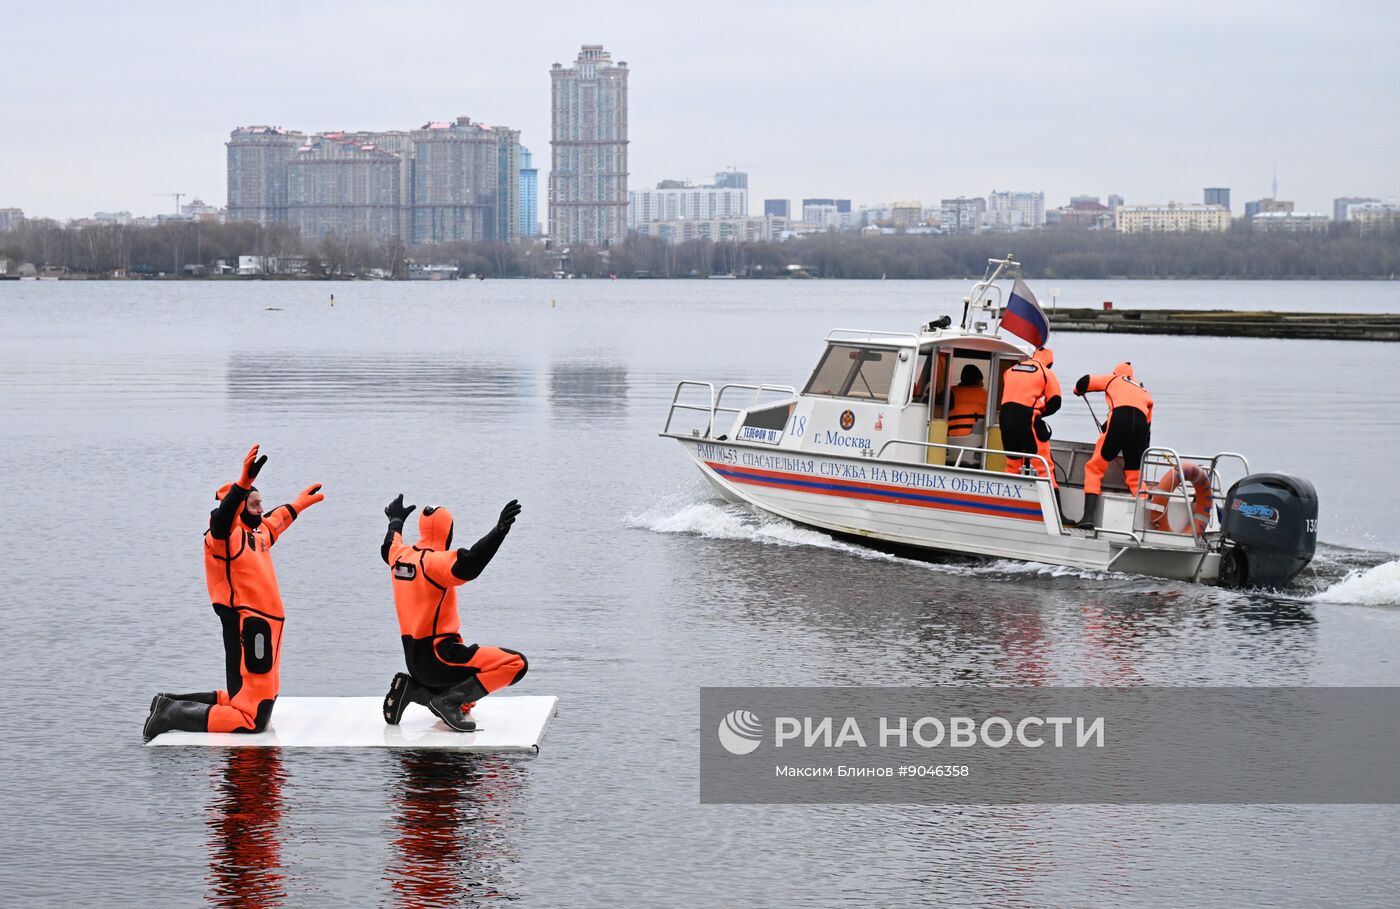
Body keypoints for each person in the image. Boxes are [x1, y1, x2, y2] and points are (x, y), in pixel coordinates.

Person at [144, 444, 325, 740]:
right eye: (254, 504)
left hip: (268, 627)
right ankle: (170, 714)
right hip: (249, 625)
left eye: (261, 503)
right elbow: (222, 520)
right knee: (252, 719)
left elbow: (276, 521)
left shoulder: (256, 535)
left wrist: (299, 504)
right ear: (239, 505)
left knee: (257, 698)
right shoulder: (222, 538)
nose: (261, 509)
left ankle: (169, 701)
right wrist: (242, 484)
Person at [380, 495, 528, 732]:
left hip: (415, 662)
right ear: (447, 531)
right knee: (516, 664)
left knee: (467, 698)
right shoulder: (436, 562)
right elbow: (471, 562)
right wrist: (499, 531)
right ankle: (448, 702)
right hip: (441, 657)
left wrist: (395, 519)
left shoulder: (399, 557)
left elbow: (388, 545)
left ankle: (414, 689)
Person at [1074, 362, 1154, 529]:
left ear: (1116, 372)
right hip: (1140, 427)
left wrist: (1078, 391)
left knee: (1094, 468)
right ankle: (1147, 522)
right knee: (1135, 476)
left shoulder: (1114, 379)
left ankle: (1088, 517)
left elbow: (1085, 381)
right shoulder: (1143, 390)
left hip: (1118, 420)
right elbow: (1146, 429)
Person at [998, 348, 1060, 480]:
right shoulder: (1046, 372)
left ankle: (1009, 497)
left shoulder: (1010, 370)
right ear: (1049, 363)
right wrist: (1041, 413)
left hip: (1005, 417)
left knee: (1013, 463)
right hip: (1027, 418)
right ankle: (1053, 496)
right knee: (1042, 464)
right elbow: (1055, 402)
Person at [947, 364, 988, 438]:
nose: (982, 384)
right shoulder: (986, 394)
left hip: (954, 440)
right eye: (981, 380)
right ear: (978, 380)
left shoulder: (950, 392)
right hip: (979, 442)